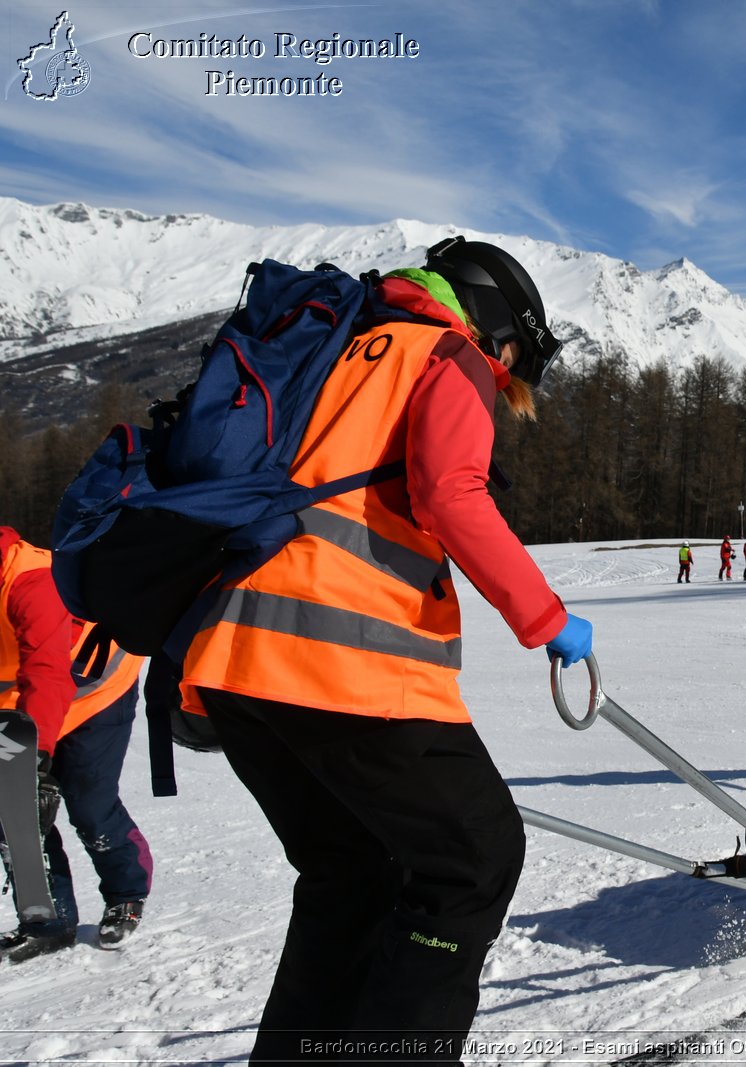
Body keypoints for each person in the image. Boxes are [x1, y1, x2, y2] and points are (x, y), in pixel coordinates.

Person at [177, 237, 593, 1062]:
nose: (505, 375)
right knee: (472, 859)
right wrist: (546, 617)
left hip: (228, 658)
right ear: (497, 327)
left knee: (352, 872)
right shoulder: (449, 353)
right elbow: (449, 491)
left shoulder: (333, 347)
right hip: (338, 661)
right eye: (512, 358)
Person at [0, 526, 152, 963]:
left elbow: (47, 672)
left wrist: (35, 762)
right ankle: (49, 922)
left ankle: (126, 892)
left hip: (95, 690)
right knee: (15, 811)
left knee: (88, 801)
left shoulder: (32, 580)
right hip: (18, 697)